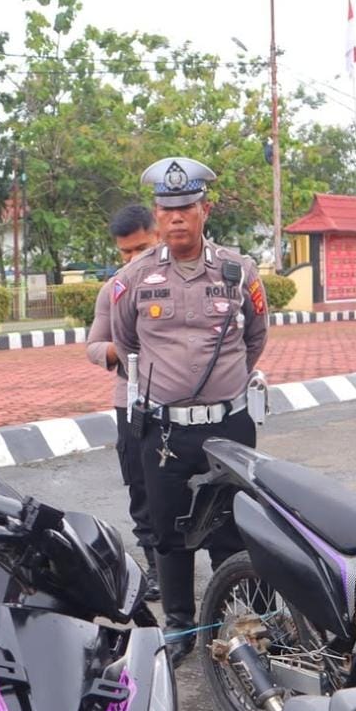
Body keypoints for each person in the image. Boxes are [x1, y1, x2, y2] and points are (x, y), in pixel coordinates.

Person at [110, 157, 269, 667]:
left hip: (229, 423)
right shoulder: (134, 278)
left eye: (186, 207)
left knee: (234, 524)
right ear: (157, 215)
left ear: (205, 210)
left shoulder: (238, 271)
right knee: (168, 530)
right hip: (163, 431)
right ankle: (181, 626)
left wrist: (223, 389)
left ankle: (247, 619)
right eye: (166, 208)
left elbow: (256, 339)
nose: (176, 217)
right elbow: (125, 341)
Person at [86, 204, 162, 602]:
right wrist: (125, 350)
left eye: (142, 248)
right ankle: (156, 569)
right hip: (131, 401)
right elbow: (94, 346)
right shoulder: (113, 290)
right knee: (142, 485)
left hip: (183, 400)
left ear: (160, 236)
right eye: (125, 253)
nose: (133, 260)